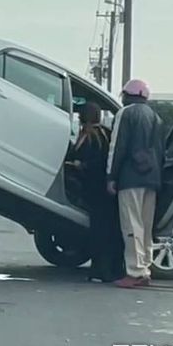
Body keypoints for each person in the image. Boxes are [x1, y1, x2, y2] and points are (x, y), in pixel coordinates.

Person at [106, 79, 164, 289]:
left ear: (127, 95)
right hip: (152, 179)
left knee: (131, 226)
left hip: (130, 177)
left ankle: (134, 272)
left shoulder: (126, 113)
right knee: (146, 227)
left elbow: (117, 146)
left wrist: (111, 177)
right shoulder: (156, 117)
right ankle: (145, 269)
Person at [66, 102, 125, 283]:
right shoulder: (104, 134)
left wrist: (79, 165)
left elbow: (97, 163)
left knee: (100, 232)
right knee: (104, 232)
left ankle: (102, 270)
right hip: (103, 192)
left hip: (98, 192)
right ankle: (103, 270)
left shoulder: (94, 136)